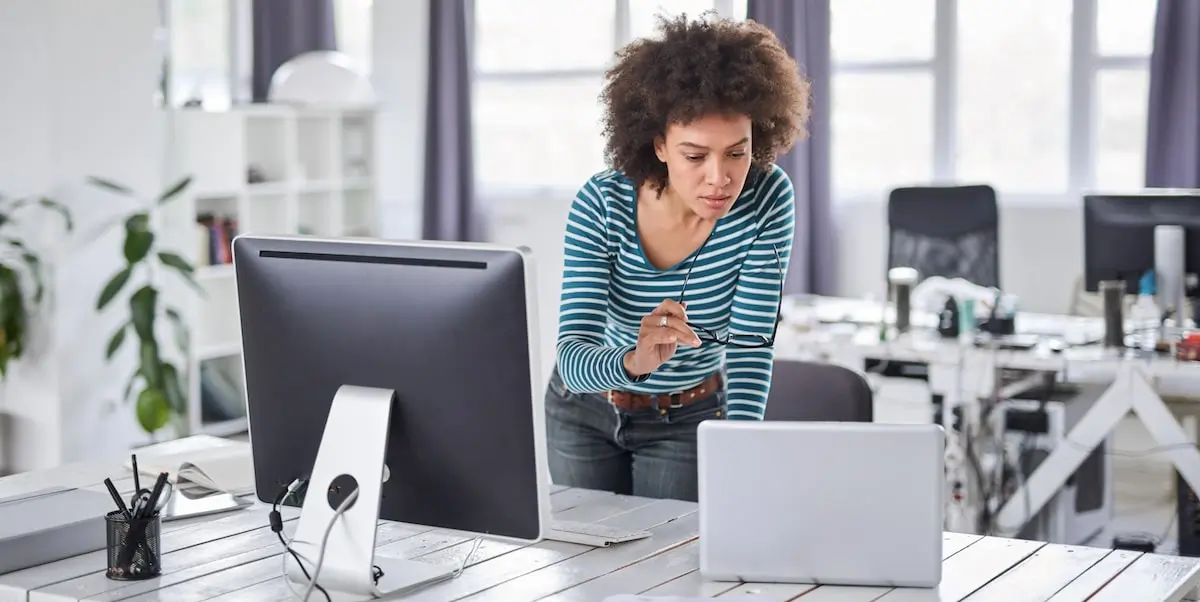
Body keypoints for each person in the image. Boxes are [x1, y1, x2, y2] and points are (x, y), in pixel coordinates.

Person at [544, 12, 812, 503]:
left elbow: (751, 346)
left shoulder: (767, 197)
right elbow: (572, 353)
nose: (720, 178)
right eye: (695, 156)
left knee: (671, 569)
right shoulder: (601, 203)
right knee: (583, 572)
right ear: (659, 146)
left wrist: (740, 444)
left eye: (738, 152)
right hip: (583, 411)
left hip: (688, 417)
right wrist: (635, 359)